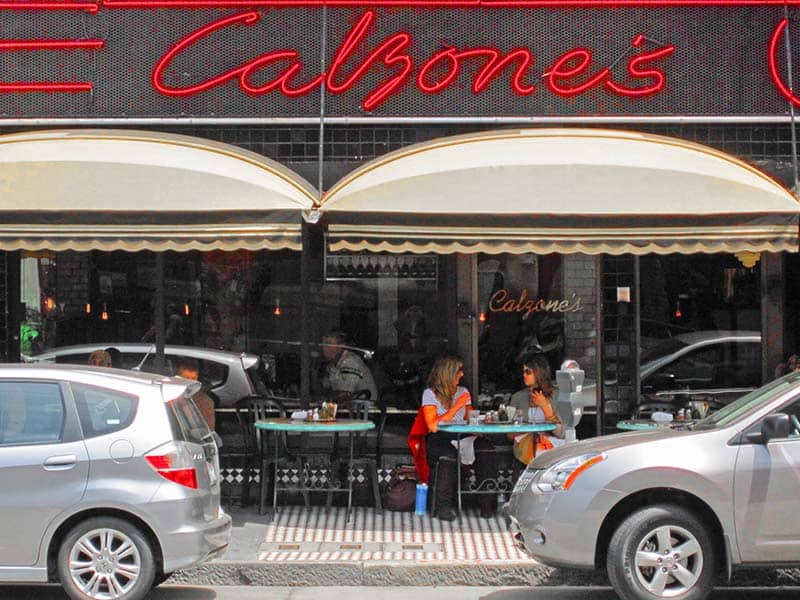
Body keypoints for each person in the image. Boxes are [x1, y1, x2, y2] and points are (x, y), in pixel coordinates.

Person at [421, 355, 495, 520]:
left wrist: (481, 423)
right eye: (458, 372)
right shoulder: (429, 394)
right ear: (449, 373)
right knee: (448, 456)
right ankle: (443, 507)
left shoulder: (463, 392)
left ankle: (487, 505)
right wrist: (456, 407)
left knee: (485, 448)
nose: (462, 375)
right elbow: (432, 425)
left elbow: (470, 420)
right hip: (440, 437)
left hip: (464, 435)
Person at [508, 354, 565, 465]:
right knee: (536, 448)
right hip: (525, 444)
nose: (524, 375)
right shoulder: (517, 397)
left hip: (552, 444)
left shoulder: (558, 396)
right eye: (523, 372)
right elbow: (509, 434)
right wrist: (532, 433)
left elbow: (562, 433)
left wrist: (544, 406)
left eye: (528, 372)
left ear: (539, 373)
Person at [320, 331, 378, 403]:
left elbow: (345, 394)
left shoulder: (351, 361)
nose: (324, 349)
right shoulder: (331, 366)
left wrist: (329, 395)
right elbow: (323, 389)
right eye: (323, 345)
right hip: (347, 408)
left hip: (364, 410)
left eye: (328, 344)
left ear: (341, 346)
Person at [175, 357, 215, 431]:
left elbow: (207, 431)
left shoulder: (205, 401)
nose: (190, 382)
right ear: (178, 377)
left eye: (193, 378)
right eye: (186, 378)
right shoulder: (168, 394)